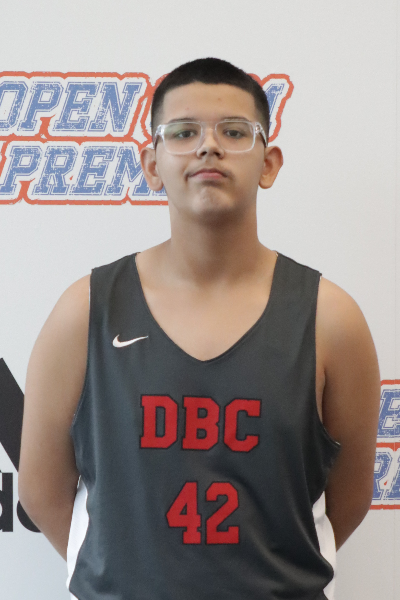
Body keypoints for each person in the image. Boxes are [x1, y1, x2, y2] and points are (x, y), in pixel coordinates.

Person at [18, 57, 381, 600]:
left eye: (234, 132)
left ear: (268, 163)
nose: (208, 146)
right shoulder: (86, 310)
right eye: (183, 132)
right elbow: (41, 490)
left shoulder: (331, 319)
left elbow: (348, 499)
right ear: (152, 164)